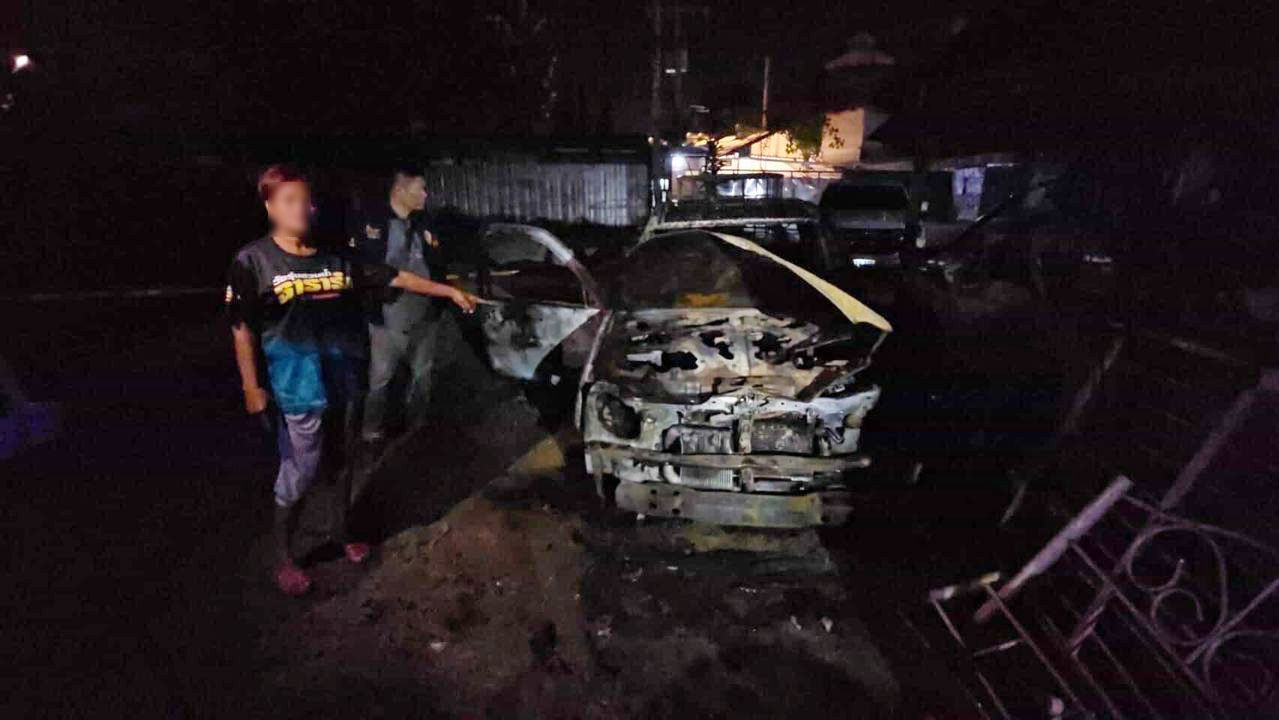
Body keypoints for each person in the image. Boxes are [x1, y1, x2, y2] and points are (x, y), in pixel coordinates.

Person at [226, 164, 478, 596]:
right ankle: (285, 556)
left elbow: (396, 276)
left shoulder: (336, 258)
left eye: (306, 200)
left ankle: (341, 533)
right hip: (297, 388)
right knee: (301, 473)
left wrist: (450, 291)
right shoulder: (253, 262)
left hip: (345, 379)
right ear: (270, 206)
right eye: (288, 200)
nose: (300, 209)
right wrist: (252, 386)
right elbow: (241, 327)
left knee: (343, 465)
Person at [357, 169, 464, 444]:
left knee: (422, 373)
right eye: (420, 189)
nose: (426, 194)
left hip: (425, 309)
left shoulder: (424, 222)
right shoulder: (374, 225)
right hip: (388, 312)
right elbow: (386, 275)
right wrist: (450, 293)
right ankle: (371, 431)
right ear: (399, 191)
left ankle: (417, 428)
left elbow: (437, 263)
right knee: (381, 377)